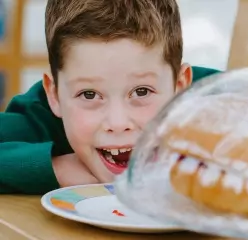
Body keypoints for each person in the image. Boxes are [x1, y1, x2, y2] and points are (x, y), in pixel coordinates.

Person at [0, 0, 220, 194]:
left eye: (141, 92)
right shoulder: (40, 116)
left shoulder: (219, 100)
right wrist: (57, 168)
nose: (118, 123)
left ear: (180, 87)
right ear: (55, 95)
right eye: (89, 94)